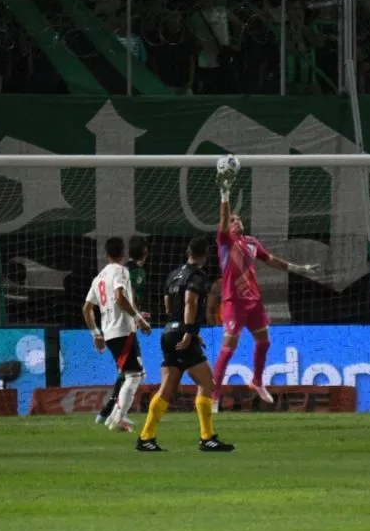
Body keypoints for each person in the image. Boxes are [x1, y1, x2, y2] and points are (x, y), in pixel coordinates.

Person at [211, 169, 319, 411]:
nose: (236, 221)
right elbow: (223, 217)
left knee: (264, 341)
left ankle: (257, 381)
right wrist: (225, 195)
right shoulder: (225, 243)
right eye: (232, 220)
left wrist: (299, 268)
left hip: (254, 302)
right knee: (228, 349)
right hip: (233, 302)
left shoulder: (251, 243)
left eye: (238, 218)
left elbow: (272, 260)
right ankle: (214, 396)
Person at [137, 238, 235, 452]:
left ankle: (146, 437)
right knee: (208, 383)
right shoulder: (198, 276)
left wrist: (178, 324)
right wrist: (189, 331)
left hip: (168, 332)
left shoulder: (174, 274)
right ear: (205, 256)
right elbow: (190, 301)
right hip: (182, 333)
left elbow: (168, 303)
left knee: (167, 388)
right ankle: (207, 437)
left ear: (188, 253)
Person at [81, 237, 152, 433]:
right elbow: (120, 298)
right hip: (122, 330)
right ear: (123, 254)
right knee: (134, 376)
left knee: (136, 373)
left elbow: (86, 309)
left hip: (110, 332)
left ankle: (113, 416)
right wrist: (138, 318)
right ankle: (117, 419)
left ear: (106, 254)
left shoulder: (99, 278)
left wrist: (95, 334)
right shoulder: (121, 271)